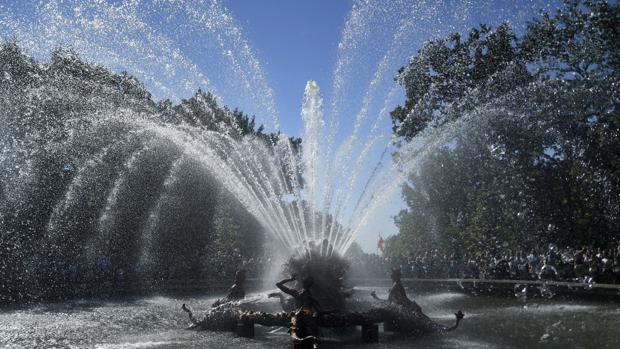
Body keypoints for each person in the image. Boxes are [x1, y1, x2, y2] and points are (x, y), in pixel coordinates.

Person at [276, 274, 323, 349]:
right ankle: (314, 343)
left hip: (298, 316)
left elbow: (278, 284)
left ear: (303, 282)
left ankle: (302, 340)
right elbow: (320, 311)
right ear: (311, 285)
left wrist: (290, 279)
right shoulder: (310, 297)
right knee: (314, 334)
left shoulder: (296, 293)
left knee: (294, 329)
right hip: (308, 317)